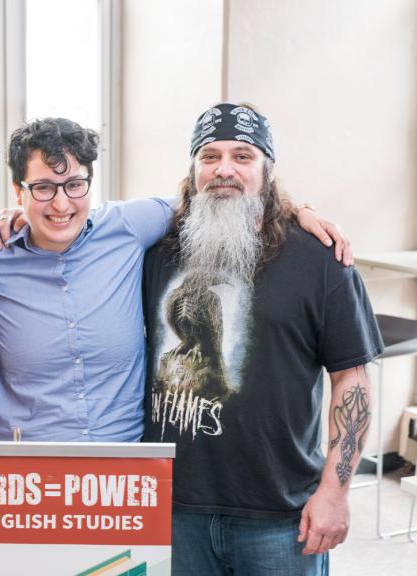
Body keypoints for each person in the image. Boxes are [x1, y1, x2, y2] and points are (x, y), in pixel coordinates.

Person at [0, 118, 350, 444]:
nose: (61, 203)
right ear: (17, 189)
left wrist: (296, 209)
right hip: (21, 472)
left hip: (122, 469)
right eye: (42, 188)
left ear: (92, 182)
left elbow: (222, 194)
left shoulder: (131, 225)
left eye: (74, 185)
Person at [142, 102, 384, 575]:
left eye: (243, 156)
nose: (224, 169)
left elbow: (351, 379)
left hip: (280, 515)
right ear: (193, 170)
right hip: (173, 509)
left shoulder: (320, 259)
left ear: (268, 171)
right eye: (209, 156)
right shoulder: (155, 252)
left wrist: (334, 493)